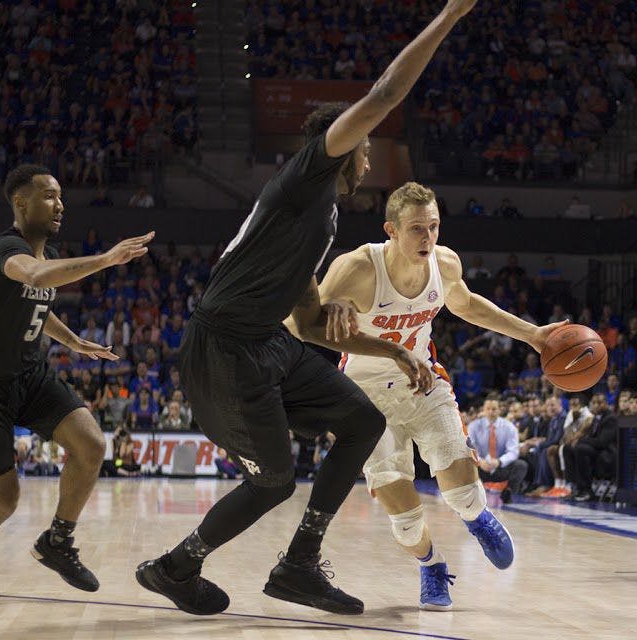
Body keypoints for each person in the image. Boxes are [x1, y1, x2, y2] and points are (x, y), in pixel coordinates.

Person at [136, 0, 477, 617]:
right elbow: (384, 93)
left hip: (269, 342)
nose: (369, 158)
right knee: (273, 479)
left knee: (362, 420)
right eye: (364, 148)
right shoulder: (304, 178)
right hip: (225, 347)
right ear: (339, 146)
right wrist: (451, 16)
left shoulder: (320, 218)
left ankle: (298, 564)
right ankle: (175, 566)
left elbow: (314, 322)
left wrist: (393, 348)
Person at [309, 181, 563, 610]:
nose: (427, 238)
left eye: (434, 226)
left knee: (463, 489)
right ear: (390, 229)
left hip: (423, 382)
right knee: (406, 521)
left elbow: (467, 305)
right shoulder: (357, 268)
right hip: (364, 397)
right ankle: (431, 565)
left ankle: (478, 518)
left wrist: (533, 335)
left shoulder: (444, 264)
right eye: (416, 229)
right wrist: (328, 307)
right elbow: (306, 319)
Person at [0, 164, 153, 598]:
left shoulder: (43, 253)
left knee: (93, 445)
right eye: (48, 196)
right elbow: (38, 279)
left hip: (29, 375)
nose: (59, 205)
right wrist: (106, 259)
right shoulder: (7, 248)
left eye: (60, 196)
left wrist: (72, 340)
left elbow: (37, 303)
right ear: (21, 202)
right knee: (4, 499)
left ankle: (57, 542)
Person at [469, 398, 529, 502]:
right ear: (483, 410)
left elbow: (513, 451)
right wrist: (480, 461)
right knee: (464, 462)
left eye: (494, 409)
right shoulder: (474, 426)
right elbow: (469, 448)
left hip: (500, 467)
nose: (491, 412)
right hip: (480, 467)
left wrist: (499, 462)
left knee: (521, 465)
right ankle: (470, 494)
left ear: (499, 410)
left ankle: (508, 492)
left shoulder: (509, 427)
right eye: (488, 409)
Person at [562, 394, 617, 501]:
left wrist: (580, 440)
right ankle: (573, 486)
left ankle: (586, 490)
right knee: (567, 448)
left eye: (599, 403)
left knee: (580, 448)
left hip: (607, 452)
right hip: (596, 449)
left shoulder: (611, 418)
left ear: (606, 404)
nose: (596, 405)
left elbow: (602, 442)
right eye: (594, 403)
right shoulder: (594, 417)